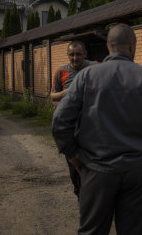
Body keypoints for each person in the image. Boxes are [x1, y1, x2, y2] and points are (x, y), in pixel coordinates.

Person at [52, 23, 142, 235]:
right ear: (132, 46)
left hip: (97, 171)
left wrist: (74, 156)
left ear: (108, 46)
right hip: (138, 171)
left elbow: (60, 121)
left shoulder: (86, 77)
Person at [50, 40, 96, 199]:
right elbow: (52, 96)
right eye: (71, 55)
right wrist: (67, 92)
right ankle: (81, 198)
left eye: (78, 54)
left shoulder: (95, 67)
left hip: (92, 129)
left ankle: (93, 199)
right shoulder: (61, 71)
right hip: (71, 131)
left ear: (85, 54)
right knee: (76, 169)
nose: (75, 58)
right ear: (67, 55)